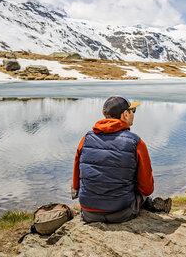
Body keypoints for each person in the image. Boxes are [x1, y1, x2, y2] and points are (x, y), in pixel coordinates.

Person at [71, 95, 171, 223]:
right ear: (125, 114)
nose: (134, 114)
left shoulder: (86, 138)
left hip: (88, 213)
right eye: (132, 111)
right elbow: (147, 189)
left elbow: (75, 183)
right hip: (122, 212)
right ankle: (153, 206)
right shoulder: (136, 142)